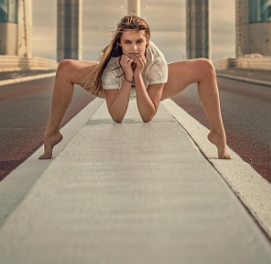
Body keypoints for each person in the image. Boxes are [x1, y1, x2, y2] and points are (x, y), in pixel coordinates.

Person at [40, 14, 230, 159]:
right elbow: (117, 116)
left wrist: (138, 76)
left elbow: (147, 116)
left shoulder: (156, 61)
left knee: (205, 66)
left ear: (147, 40)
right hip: (116, 84)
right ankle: (52, 134)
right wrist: (126, 78)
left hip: (146, 86)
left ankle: (218, 134)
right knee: (65, 67)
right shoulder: (112, 64)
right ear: (119, 43)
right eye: (128, 43)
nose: (134, 48)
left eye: (139, 42)